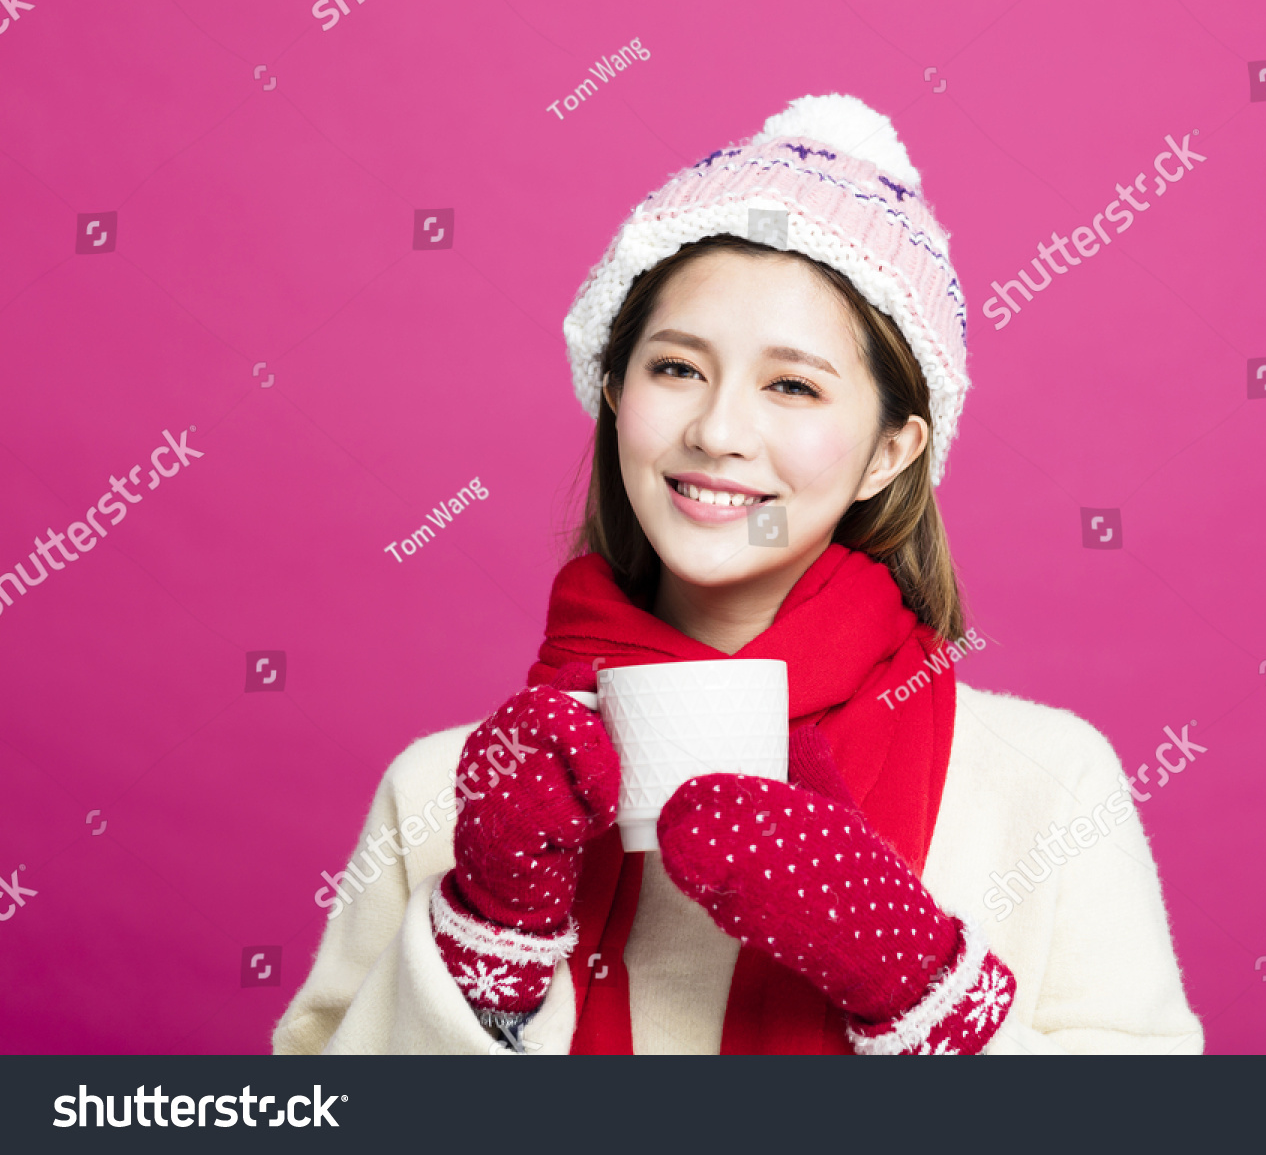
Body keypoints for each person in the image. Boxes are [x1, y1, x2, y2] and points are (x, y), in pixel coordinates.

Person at [273, 94, 1203, 1056]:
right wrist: (484, 943)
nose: (717, 432)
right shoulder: (445, 789)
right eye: (676, 368)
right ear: (613, 390)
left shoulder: (1045, 782)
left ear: (892, 449)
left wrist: (923, 988)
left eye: (792, 385)